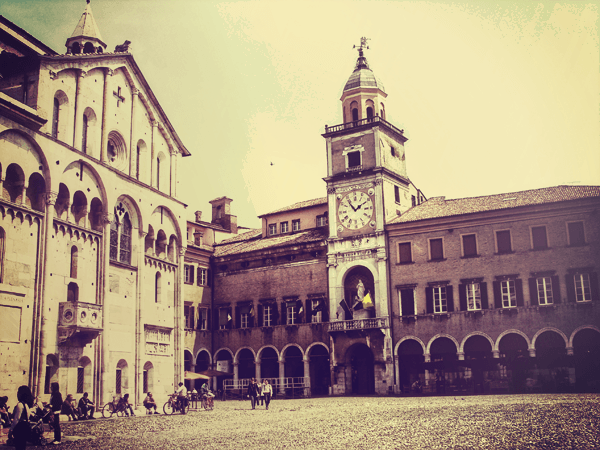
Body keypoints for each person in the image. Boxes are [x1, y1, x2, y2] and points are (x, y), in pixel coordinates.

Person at [9, 385, 34, 450]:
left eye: (18, 392)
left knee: (19, 447)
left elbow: (16, 419)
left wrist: (11, 430)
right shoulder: (26, 405)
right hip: (25, 429)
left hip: (19, 430)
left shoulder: (19, 405)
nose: (17, 393)